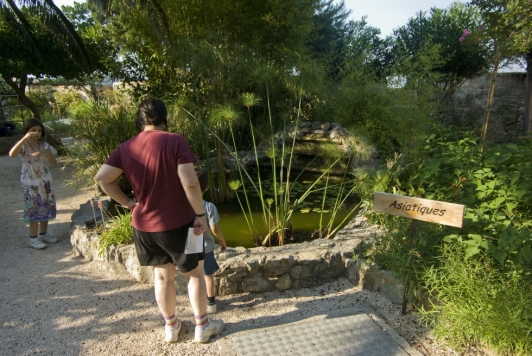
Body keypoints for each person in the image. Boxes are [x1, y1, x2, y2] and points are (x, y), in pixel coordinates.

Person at [94, 98, 224, 344]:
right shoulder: (175, 141)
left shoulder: (126, 147)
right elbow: (190, 182)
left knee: (162, 277)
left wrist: (127, 203)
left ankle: (171, 327)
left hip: (144, 226)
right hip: (180, 222)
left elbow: (102, 178)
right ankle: (202, 327)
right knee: (194, 274)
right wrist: (199, 216)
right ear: (164, 118)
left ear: (140, 121)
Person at [9, 118, 58, 249]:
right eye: (33, 130)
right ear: (27, 131)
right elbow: (12, 154)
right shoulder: (23, 145)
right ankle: (32, 238)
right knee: (34, 206)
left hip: (45, 179)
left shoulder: (45, 146)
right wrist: (24, 139)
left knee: (46, 204)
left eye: (39, 130)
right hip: (29, 180)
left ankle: (43, 233)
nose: (36, 133)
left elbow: (53, 163)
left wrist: (45, 154)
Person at [197, 172, 227, 313]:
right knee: (208, 276)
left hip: (189, 248)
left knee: (194, 276)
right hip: (206, 247)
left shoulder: (182, 207)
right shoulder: (209, 207)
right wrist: (222, 241)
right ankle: (211, 304)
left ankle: (196, 302)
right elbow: (214, 227)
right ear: (207, 188)